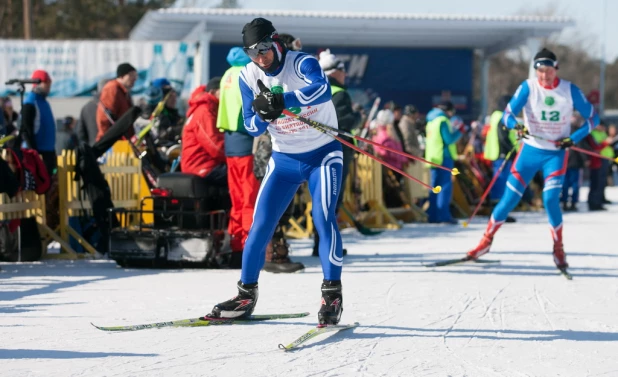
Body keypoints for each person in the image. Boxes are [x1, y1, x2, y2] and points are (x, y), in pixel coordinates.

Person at [208, 17, 344, 325]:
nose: (260, 57)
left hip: (323, 154)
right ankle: (245, 295)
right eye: (252, 52)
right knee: (260, 225)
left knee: (322, 217)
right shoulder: (248, 74)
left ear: (276, 41)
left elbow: (322, 91)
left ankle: (331, 295)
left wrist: (283, 99)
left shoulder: (301, 63)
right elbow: (250, 124)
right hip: (284, 159)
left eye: (265, 48)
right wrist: (263, 111)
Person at [467, 48, 599, 270]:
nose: (544, 76)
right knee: (508, 200)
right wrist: (516, 126)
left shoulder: (569, 90)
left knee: (549, 200)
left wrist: (573, 138)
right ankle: (485, 241)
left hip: (555, 154)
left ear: (556, 69)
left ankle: (558, 248)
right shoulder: (528, 87)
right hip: (529, 152)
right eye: (539, 71)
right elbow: (507, 115)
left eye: (548, 71)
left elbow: (594, 118)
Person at [312, 48, 361, 255]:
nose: (345, 74)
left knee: (322, 198)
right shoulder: (339, 93)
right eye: (342, 70)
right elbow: (341, 123)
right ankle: (326, 244)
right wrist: (357, 116)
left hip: (319, 149)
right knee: (332, 199)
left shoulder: (317, 89)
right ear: (334, 72)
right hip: (337, 150)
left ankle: (321, 244)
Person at [216, 47, 261, 269]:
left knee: (237, 201)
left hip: (230, 143)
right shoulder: (247, 73)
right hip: (246, 143)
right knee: (250, 199)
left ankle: (236, 246)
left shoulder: (227, 75)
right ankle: (248, 250)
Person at [180, 77, 227, 187]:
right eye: (224, 91)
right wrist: (233, 156)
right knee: (242, 174)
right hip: (201, 165)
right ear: (213, 92)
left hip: (206, 163)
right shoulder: (204, 111)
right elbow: (214, 145)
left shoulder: (209, 108)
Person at [424, 100, 463, 224]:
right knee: (445, 187)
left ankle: (433, 215)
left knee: (434, 187)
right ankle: (444, 216)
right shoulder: (443, 120)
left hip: (433, 157)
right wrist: (460, 131)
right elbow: (449, 139)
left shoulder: (431, 120)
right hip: (444, 157)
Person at [483, 95, 519, 222]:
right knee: (501, 183)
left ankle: (497, 212)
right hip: (502, 154)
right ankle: (499, 213)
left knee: (499, 182)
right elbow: (503, 137)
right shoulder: (503, 117)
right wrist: (512, 151)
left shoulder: (496, 115)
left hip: (497, 153)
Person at [21, 70, 57, 177]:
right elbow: (26, 130)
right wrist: (34, 152)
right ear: (38, 83)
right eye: (47, 84)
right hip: (38, 153)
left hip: (48, 152)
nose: (49, 87)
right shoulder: (30, 102)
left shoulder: (44, 102)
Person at [96, 62, 137, 142]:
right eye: (131, 75)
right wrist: (107, 140)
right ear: (122, 76)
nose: (134, 79)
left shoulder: (124, 92)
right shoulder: (112, 89)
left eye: (135, 76)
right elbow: (105, 117)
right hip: (113, 141)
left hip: (123, 139)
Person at [77, 79, 109, 146]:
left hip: (93, 147)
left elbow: (80, 133)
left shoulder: (86, 107)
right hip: (113, 150)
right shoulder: (112, 106)